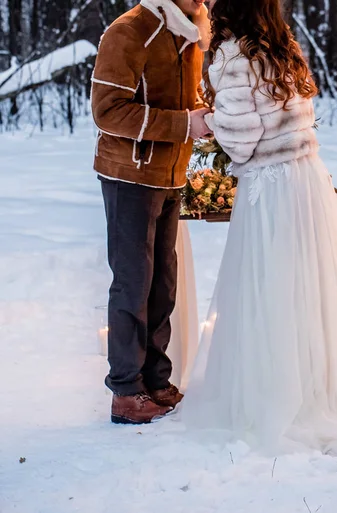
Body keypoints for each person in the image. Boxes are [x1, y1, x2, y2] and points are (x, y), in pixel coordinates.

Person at [182, 0, 337, 453]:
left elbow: (241, 142)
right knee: (309, 288)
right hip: (306, 179)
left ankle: (279, 396)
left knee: (271, 290)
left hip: (270, 188)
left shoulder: (233, 57)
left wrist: (210, 122)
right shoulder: (283, 48)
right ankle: (323, 388)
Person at [91, 0, 212, 425]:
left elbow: (188, 97)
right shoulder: (129, 30)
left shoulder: (192, 32)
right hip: (128, 176)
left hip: (170, 175)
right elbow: (107, 111)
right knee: (132, 283)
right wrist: (183, 124)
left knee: (163, 283)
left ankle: (155, 380)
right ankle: (125, 391)